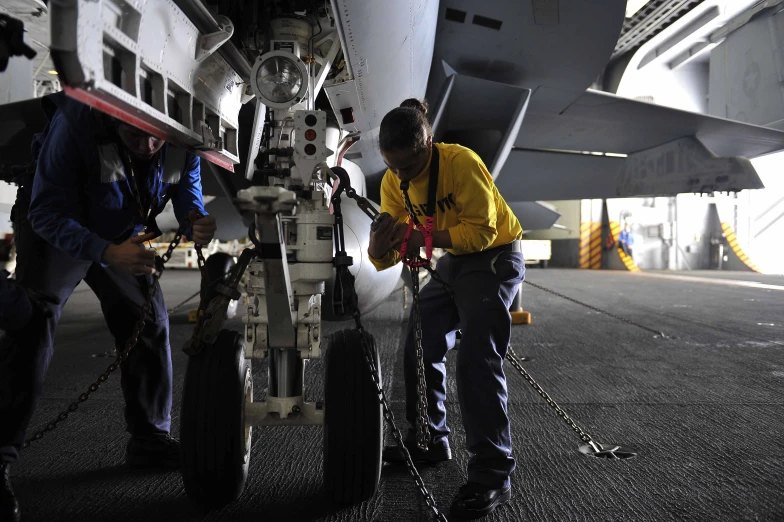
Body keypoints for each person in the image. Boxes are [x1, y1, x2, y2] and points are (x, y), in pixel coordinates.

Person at [0, 92, 216, 522]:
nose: (149, 147)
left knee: (147, 318)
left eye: (158, 140)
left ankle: (149, 438)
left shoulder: (183, 136)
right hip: (57, 228)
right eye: (136, 136)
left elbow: (186, 184)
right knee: (35, 322)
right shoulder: (76, 123)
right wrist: (103, 251)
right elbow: (44, 213)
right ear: (116, 114)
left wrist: (195, 216)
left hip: (122, 230)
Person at [368, 98, 525, 520]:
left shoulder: (462, 163)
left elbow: (482, 232)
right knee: (419, 339)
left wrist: (417, 238)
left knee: (476, 356)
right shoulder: (392, 182)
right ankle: (429, 439)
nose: (401, 175)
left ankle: (493, 474)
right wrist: (379, 250)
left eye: (409, 165)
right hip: (454, 261)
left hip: (495, 257)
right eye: (393, 166)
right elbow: (391, 252)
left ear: (429, 144)